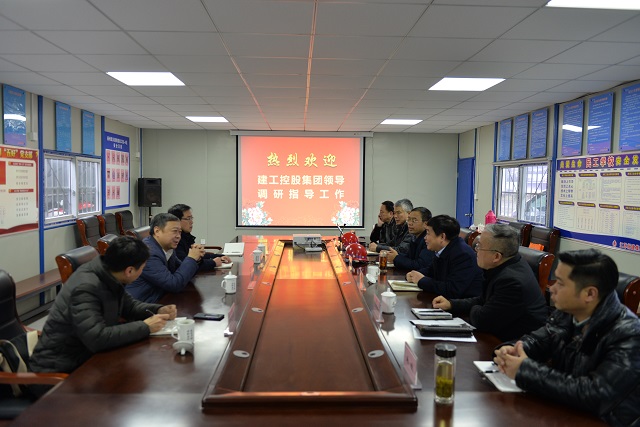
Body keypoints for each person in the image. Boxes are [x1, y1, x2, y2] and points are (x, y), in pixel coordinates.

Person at [493, 249, 640, 426]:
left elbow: (596, 394)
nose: (552, 288)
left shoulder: (629, 334)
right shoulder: (569, 312)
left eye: (560, 283)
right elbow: (539, 341)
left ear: (589, 294)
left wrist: (525, 370)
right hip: (565, 411)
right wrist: (513, 350)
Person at [30, 236, 177, 374]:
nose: (142, 271)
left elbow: (130, 306)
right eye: (142, 268)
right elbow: (97, 338)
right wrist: (145, 327)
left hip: (89, 358)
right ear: (129, 270)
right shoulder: (85, 288)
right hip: (61, 368)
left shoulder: (110, 274)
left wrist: (158, 309)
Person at [432, 223, 548, 341]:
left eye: (479, 247)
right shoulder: (505, 264)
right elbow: (483, 300)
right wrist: (452, 304)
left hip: (515, 344)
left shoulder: (511, 282)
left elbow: (482, 321)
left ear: (496, 256)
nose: (476, 251)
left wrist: (478, 308)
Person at [126, 213, 204, 303]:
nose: (178, 236)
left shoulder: (167, 248)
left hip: (160, 298)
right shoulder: (148, 253)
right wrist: (191, 258)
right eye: (174, 231)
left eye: (180, 232)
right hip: (141, 305)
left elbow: (182, 272)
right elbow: (174, 285)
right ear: (157, 231)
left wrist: (196, 259)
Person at [406, 214, 482, 299]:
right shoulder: (444, 249)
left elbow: (452, 290)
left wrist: (421, 280)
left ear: (442, 237)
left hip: (461, 304)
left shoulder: (462, 255)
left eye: (428, 233)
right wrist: (414, 274)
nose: (425, 238)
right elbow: (431, 270)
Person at [168, 204, 231, 271]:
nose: (192, 222)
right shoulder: (175, 240)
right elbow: (187, 265)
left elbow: (198, 257)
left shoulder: (187, 237)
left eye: (191, 218)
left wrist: (220, 256)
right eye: (188, 219)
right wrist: (213, 263)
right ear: (176, 221)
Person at [387, 207, 435, 271]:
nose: (410, 223)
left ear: (425, 224)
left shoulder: (428, 240)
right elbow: (410, 258)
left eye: (414, 220)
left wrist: (396, 258)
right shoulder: (414, 237)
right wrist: (394, 255)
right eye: (409, 219)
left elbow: (420, 265)